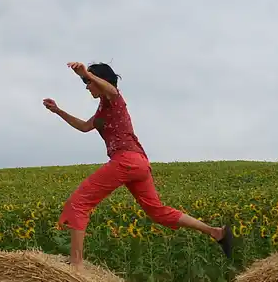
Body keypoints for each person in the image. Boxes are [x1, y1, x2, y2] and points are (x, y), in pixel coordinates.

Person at [42, 61, 234, 268]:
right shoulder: (102, 111)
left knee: (78, 204)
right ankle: (215, 232)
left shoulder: (114, 99)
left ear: (100, 81)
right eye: (84, 82)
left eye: (87, 82)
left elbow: (112, 89)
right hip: (139, 163)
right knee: (157, 211)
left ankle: (76, 265)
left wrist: (87, 73)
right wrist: (58, 111)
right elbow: (84, 127)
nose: (87, 86)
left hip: (125, 161)